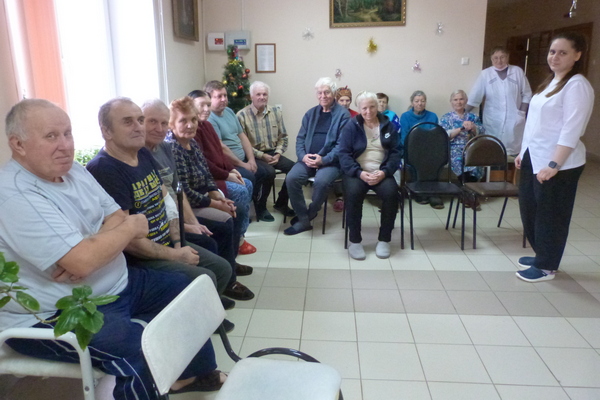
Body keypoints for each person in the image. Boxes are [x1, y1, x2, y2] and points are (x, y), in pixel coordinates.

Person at [0, 99, 225, 399]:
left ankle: (191, 375)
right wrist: (117, 234)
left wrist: (94, 246)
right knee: (142, 350)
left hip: (118, 283)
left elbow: (118, 216)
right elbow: (89, 256)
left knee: (186, 290)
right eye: (51, 136)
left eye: (68, 133)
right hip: (58, 313)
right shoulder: (15, 195)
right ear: (18, 144)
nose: (65, 145)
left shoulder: (74, 170)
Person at [86, 98, 231, 295]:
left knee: (222, 269)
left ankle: (207, 306)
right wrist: (175, 255)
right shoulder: (104, 169)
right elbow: (128, 241)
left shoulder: (142, 153)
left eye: (140, 120)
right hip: (140, 259)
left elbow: (166, 200)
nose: (139, 127)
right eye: (128, 122)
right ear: (106, 131)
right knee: (206, 277)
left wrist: (178, 242)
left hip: (166, 241)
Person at [142, 99, 253, 306]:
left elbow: (204, 176)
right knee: (222, 225)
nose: (190, 125)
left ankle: (229, 265)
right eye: (183, 121)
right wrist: (211, 206)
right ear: (173, 125)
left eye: (193, 120)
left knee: (232, 210)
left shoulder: (190, 143)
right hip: (191, 204)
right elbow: (184, 192)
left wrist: (217, 195)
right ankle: (225, 280)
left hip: (192, 202)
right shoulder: (171, 148)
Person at [515, 32, 594, 282]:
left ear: (577, 55)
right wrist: (523, 151)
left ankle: (547, 266)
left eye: (562, 52)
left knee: (551, 216)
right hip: (534, 157)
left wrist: (554, 164)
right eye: (552, 51)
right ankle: (543, 255)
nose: (554, 57)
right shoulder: (550, 82)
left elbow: (571, 129)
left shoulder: (577, 85)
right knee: (530, 210)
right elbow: (535, 123)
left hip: (558, 164)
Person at [188, 90, 257, 256]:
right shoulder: (192, 131)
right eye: (202, 105)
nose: (206, 109)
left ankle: (240, 234)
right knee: (240, 190)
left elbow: (219, 152)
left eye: (208, 105)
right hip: (212, 179)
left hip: (220, 174)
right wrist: (227, 175)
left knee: (247, 183)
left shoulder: (208, 125)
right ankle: (238, 241)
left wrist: (232, 169)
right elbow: (205, 164)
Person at [284, 77, 351, 235]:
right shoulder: (311, 113)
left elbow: (342, 146)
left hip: (331, 162)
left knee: (321, 182)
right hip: (307, 160)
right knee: (291, 178)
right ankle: (303, 218)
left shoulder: (343, 115)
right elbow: (300, 139)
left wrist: (323, 160)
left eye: (326, 92)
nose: (323, 96)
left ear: (333, 93)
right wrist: (303, 156)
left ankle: (311, 212)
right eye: (320, 93)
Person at [338, 92, 401, 260]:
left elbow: (396, 153)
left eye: (372, 107)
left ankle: (384, 239)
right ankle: (355, 241)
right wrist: (359, 173)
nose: (368, 111)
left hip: (381, 172)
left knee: (391, 194)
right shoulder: (351, 126)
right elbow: (343, 154)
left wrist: (384, 172)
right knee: (353, 194)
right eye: (364, 108)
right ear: (359, 109)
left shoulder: (388, 126)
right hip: (357, 173)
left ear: (377, 106)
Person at [205, 80, 274, 222]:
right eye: (219, 96)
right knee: (251, 176)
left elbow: (242, 136)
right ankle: (245, 211)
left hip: (243, 159)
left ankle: (260, 206)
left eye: (225, 95)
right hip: (230, 164)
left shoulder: (229, 112)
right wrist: (243, 165)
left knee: (268, 172)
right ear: (209, 99)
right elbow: (221, 148)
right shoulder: (210, 119)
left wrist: (251, 160)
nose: (223, 99)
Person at [237, 81, 295, 217]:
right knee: (269, 172)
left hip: (273, 153)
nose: (262, 97)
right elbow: (242, 144)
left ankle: (281, 203)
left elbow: (283, 137)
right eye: (258, 94)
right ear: (251, 96)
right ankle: (261, 207)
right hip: (253, 155)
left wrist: (278, 153)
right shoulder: (241, 116)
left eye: (264, 94)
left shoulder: (276, 112)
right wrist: (261, 155)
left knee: (294, 169)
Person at [467, 46, 532, 156]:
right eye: (495, 58)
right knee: (492, 151)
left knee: (513, 152)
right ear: (491, 59)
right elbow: (475, 96)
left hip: (514, 118)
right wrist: (462, 112)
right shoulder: (485, 74)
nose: (499, 61)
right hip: (493, 119)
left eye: (502, 57)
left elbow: (527, 94)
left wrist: (521, 113)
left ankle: (511, 166)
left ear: (508, 57)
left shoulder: (517, 71)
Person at [399, 90, 442, 209]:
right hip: (411, 149)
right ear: (412, 102)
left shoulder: (432, 116)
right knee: (416, 159)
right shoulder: (405, 116)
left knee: (435, 159)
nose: (420, 103)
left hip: (429, 149)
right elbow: (404, 137)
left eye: (422, 101)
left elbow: (435, 135)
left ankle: (433, 193)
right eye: (417, 101)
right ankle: (419, 191)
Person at [440, 90, 485, 183]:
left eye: (461, 99)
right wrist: (461, 129)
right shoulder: (446, 118)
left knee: (475, 161)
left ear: (466, 101)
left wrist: (473, 127)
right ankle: (466, 185)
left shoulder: (473, 117)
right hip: (454, 148)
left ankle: (469, 185)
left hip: (471, 147)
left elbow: (481, 132)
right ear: (451, 102)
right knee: (458, 160)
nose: (458, 102)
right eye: (455, 100)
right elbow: (442, 136)